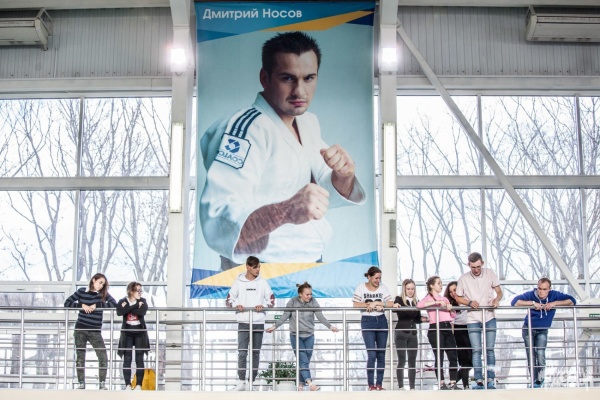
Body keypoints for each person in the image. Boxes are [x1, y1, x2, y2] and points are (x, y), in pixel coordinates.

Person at [199, 31, 366, 270]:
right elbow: (219, 221)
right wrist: (285, 211)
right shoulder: (245, 130)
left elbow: (322, 195)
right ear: (265, 78)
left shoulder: (308, 123)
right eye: (287, 78)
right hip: (259, 270)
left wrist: (344, 175)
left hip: (308, 265)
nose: (300, 91)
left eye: (309, 78)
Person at [266, 282, 338, 391]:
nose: (309, 296)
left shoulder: (313, 301)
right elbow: (285, 315)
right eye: (307, 294)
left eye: (310, 294)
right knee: (303, 359)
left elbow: (320, 315)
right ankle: (310, 384)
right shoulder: (293, 301)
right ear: (300, 294)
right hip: (296, 336)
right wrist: (275, 326)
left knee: (304, 361)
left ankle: (300, 384)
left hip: (309, 335)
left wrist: (330, 326)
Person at [511, 278, 576, 388]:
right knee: (531, 356)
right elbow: (514, 302)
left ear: (549, 289)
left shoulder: (554, 295)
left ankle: (540, 380)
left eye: (544, 289)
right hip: (528, 329)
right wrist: (533, 303)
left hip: (542, 330)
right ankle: (534, 381)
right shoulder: (531, 294)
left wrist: (554, 303)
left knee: (540, 354)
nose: (541, 292)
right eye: (539, 289)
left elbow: (572, 301)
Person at [454, 252, 503, 389]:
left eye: (478, 267)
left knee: (490, 349)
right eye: (473, 267)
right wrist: (469, 302)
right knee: (476, 350)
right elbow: (458, 298)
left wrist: (496, 300)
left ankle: (491, 378)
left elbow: (499, 292)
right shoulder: (463, 278)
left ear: (482, 263)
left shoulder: (490, 273)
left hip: (489, 316)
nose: (476, 270)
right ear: (469, 265)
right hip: (473, 318)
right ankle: (478, 379)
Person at [226, 256, 275, 391]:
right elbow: (229, 300)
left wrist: (263, 306)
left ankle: (251, 382)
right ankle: (241, 381)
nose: (258, 269)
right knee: (242, 353)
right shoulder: (239, 282)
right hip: (243, 322)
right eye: (255, 267)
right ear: (248, 267)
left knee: (255, 354)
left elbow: (271, 300)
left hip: (258, 322)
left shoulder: (263, 283)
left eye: (259, 267)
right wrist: (236, 305)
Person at [64, 273, 117, 390]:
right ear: (94, 280)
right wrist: (81, 305)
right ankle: (81, 383)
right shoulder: (82, 291)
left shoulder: (103, 294)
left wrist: (97, 305)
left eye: (103, 284)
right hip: (80, 329)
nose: (101, 286)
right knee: (80, 357)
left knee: (103, 356)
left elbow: (114, 304)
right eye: (100, 282)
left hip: (95, 331)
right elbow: (67, 303)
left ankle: (102, 383)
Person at [352, 266, 394, 391]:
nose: (378, 280)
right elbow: (355, 304)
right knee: (372, 354)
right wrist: (368, 305)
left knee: (381, 354)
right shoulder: (361, 287)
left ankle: (379, 384)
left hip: (381, 321)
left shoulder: (383, 288)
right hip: (367, 321)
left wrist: (377, 303)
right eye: (376, 278)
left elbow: (390, 303)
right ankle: (371, 385)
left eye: (379, 278)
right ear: (369, 277)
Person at [417, 276, 460, 390]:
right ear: (432, 286)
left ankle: (453, 382)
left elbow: (453, 315)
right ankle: (441, 383)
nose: (441, 285)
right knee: (439, 356)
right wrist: (436, 302)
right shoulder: (428, 298)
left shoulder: (445, 299)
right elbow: (419, 305)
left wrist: (451, 308)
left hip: (447, 327)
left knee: (452, 355)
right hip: (435, 327)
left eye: (441, 283)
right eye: (438, 283)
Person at [116, 282, 150, 390]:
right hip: (127, 333)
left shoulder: (143, 301)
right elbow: (119, 312)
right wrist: (135, 306)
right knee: (127, 358)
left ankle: (139, 384)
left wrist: (128, 308)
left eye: (141, 290)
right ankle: (128, 384)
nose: (140, 293)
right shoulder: (123, 301)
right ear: (131, 291)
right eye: (138, 290)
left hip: (139, 332)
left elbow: (142, 312)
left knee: (140, 358)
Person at [393, 279, 426, 390]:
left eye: (412, 289)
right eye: (408, 289)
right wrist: (395, 305)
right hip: (401, 332)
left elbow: (416, 318)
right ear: (404, 289)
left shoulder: (417, 301)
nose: (410, 291)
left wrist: (422, 319)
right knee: (402, 360)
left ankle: (412, 387)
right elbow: (394, 307)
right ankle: (401, 386)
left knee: (412, 361)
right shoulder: (399, 299)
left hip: (413, 333)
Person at [445, 281, 473, 390]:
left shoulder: (466, 299)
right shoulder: (451, 305)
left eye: (455, 290)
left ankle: (452, 383)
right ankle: (465, 386)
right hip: (458, 331)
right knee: (465, 361)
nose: (453, 293)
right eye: (450, 291)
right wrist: (452, 338)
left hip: (469, 329)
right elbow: (451, 322)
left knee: (471, 360)